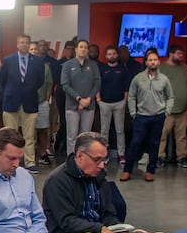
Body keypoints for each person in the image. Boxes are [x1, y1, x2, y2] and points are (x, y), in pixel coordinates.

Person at [43, 133, 164, 233]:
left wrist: (117, 227)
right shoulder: (57, 181)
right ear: (79, 155)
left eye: (104, 159)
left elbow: (108, 213)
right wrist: (100, 229)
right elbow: (67, 222)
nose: (101, 165)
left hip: (97, 228)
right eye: (97, 160)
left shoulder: (99, 175)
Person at [0, 35, 46, 169]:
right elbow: (2, 79)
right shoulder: (8, 60)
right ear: (17, 44)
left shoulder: (38, 61)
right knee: (9, 135)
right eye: (21, 42)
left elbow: (40, 81)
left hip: (30, 102)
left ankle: (30, 162)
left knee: (29, 136)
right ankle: (9, 161)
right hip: (11, 100)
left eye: (26, 43)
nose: (24, 45)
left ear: (29, 45)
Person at [125, 48, 173, 181]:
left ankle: (150, 171)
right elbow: (131, 96)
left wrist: (167, 111)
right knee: (135, 143)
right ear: (146, 62)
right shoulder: (138, 78)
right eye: (150, 60)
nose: (153, 62)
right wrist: (133, 113)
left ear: (158, 62)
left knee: (154, 144)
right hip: (141, 116)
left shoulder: (164, 79)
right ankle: (127, 170)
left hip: (158, 116)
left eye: (155, 60)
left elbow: (170, 97)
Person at [59, 39, 100, 153]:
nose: (83, 49)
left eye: (85, 47)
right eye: (81, 47)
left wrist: (88, 99)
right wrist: (79, 99)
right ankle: (71, 160)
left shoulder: (93, 65)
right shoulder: (67, 65)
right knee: (72, 136)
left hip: (89, 105)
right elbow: (65, 85)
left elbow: (97, 84)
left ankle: (84, 160)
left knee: (86, 137)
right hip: (72, 106)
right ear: (76, 49)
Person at [97, 44, 131, 172]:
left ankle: (121, 154)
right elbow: (97, 84)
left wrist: (124, 100)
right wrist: (98, 99)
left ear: (117, 55)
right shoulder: (102, 69)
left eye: (114, 54)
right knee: (104, 130)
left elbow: (127, 86)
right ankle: (103, 155)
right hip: (104, 103)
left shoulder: (123, 69)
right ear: (106, 56)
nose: (112, 56)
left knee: (120, 130)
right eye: (109, 54)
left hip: (119, 103)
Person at [158, 47, 187, 168]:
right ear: (171, 54)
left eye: (182, 54)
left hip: (182, 109)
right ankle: (159, 156)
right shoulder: (161, 68)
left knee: (181, 135)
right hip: (166, 109)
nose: (181, 56)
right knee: (162, 133)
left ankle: (182, 157)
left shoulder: (185, 68)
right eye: (178, 54)